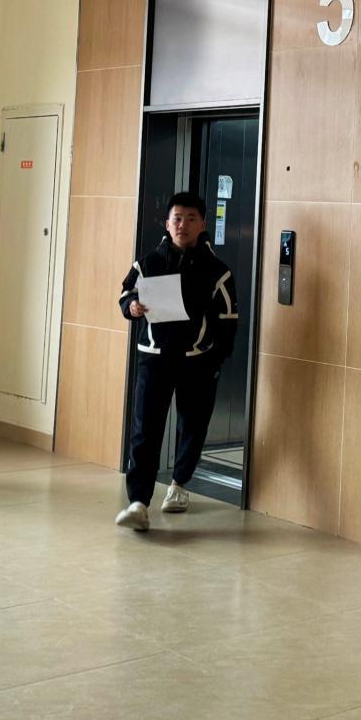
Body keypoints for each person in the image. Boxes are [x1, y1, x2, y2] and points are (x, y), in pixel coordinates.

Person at [113, 191, 239, 531]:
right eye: (177, 218)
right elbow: (126, 295)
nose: (183, 225)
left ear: (203, 224)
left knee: (192, 427)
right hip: (154, 359)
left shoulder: (217, 271)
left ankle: (180, 485)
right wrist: (132, 307)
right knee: (145, 430)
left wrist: (215, 360)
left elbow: (228, 320)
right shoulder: (148, 264)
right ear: (167, 224)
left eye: (191, 219)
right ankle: (139, 502)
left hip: (198, 362)